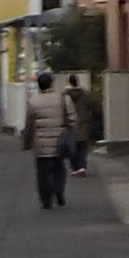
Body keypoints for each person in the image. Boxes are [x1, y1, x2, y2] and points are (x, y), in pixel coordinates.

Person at [21, 71, 71, 210]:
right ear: (52, 83)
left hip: (41, 143)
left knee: (43, 173)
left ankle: (46, 200)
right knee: (59, 168)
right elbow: (72, 118)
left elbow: (29, 125)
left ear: (39, 85)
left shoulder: (33, 101)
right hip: (59, 141)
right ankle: (59, 191)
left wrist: (27, 143)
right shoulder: (62, 99)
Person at [60, 73, 99, 177]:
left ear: (69, 82)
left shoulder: (64, 96)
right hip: (84, 124)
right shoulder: (85, 95)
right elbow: (94, 107)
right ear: (77, 81)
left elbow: (61, 110)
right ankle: (82, 166)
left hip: (70, 125)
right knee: (82, 147)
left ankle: (75, 167)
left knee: (72, 147)